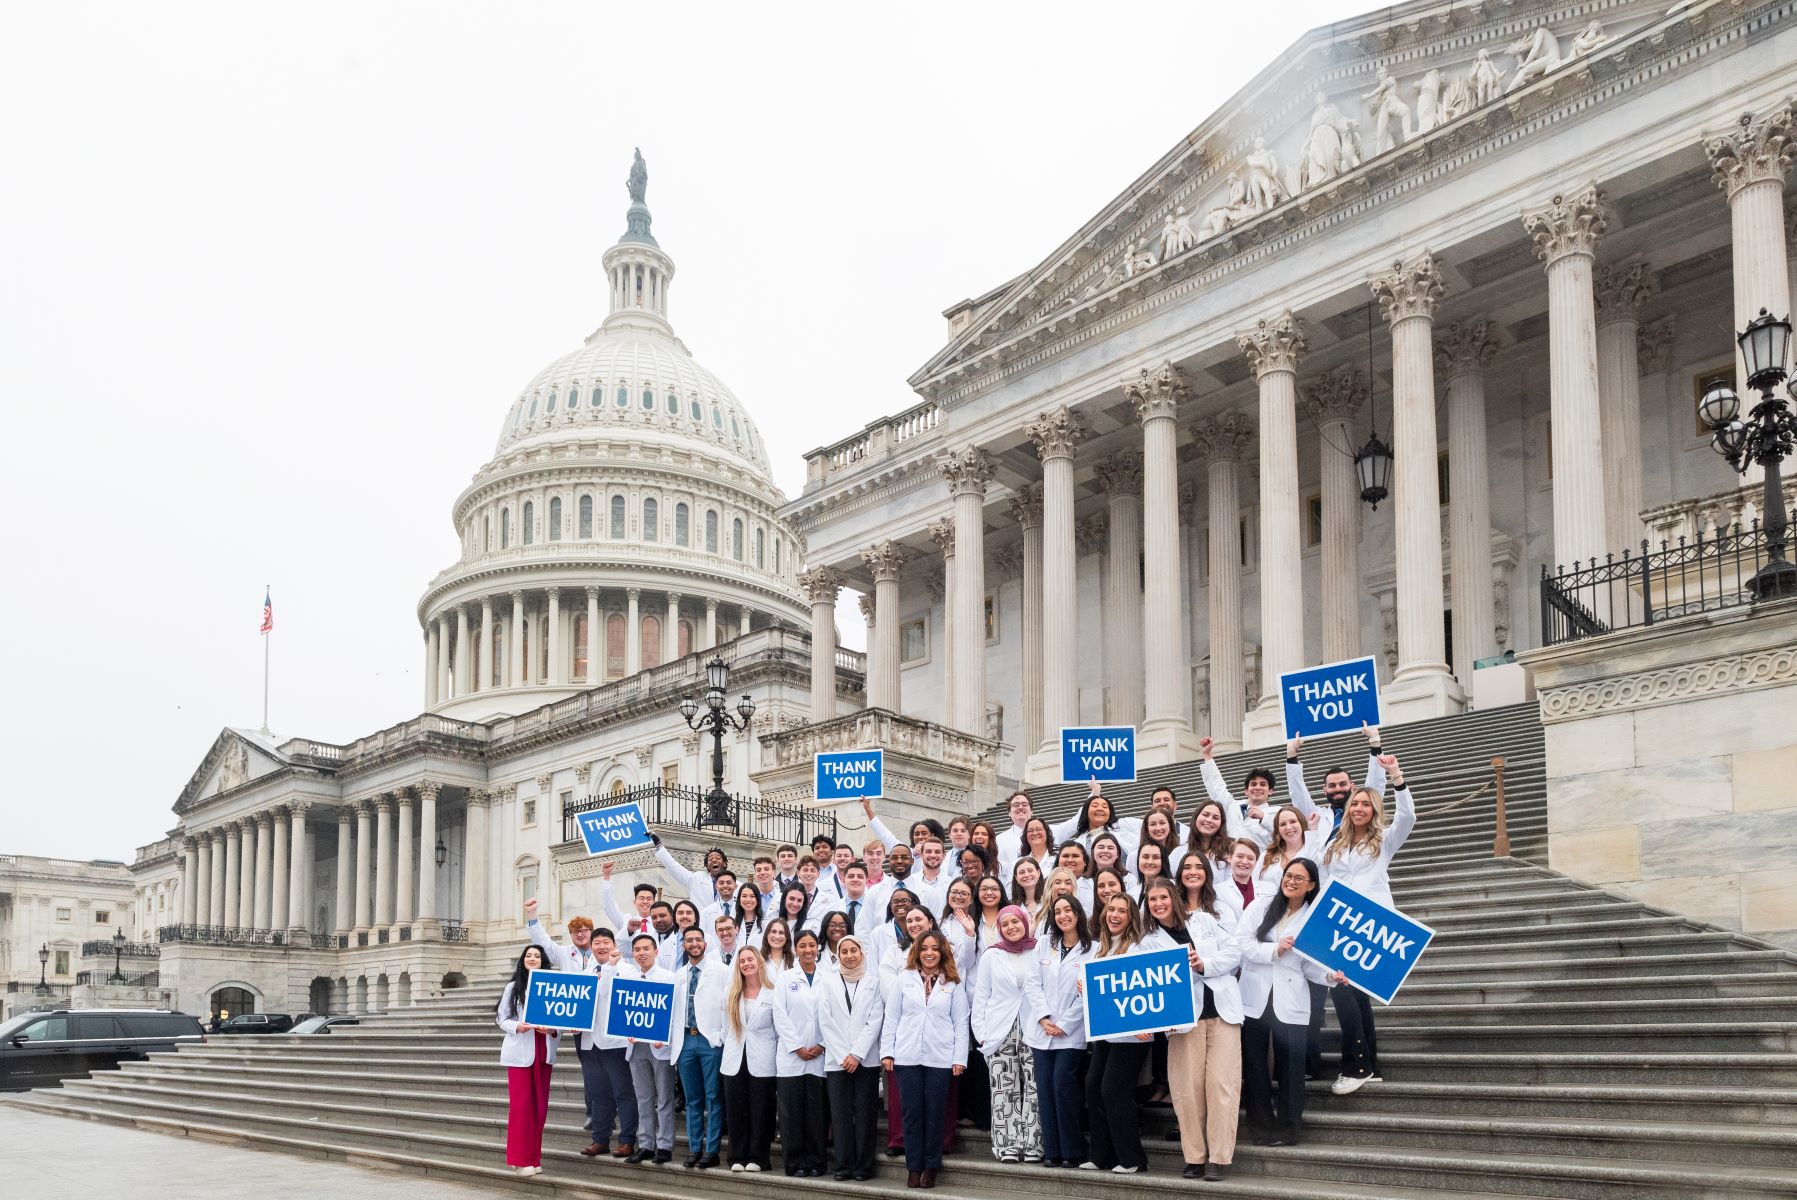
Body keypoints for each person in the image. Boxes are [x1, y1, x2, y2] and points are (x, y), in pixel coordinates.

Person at [1317, 753, 1414, 1094]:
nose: (1358, 808)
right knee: (1351, 994)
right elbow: (1323, 881)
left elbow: (1408, 816)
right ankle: (1369, 1063)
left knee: (1347, 993)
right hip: (1340, 923)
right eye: (1354, 804)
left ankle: (1356, 1065)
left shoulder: (1384, 840)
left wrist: (1396, 777)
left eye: (1364, 804)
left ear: (1373, 810)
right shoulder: (1334, 844)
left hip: (1372, 922)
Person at [1141, 879, 1242, 1181]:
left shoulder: (1204, 920)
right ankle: (1195, 1157)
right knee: (1188, 1091)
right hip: (1183, 1022)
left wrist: (1204, 964)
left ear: (1173, 897)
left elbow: (1234, 950)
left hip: (1222, 1013)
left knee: (1222, 1086)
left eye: (1163, 897)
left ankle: (1219, 1158)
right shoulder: (1148, 940)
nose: (1158, 904)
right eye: (1152, 900)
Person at [522, 895, 635, 1159]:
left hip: (615, 1043)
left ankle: (628, 1139)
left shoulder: (626, 970)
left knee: (623, 1092)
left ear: (614, 945)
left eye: (606, 942)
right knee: (598, 1093)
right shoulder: (582, 975)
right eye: (597, 943)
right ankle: (601, 1138)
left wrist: (610, 968)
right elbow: (570, 1004)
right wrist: (559, 1024)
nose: (601, 946)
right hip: (588, 1042)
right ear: (592, 948)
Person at [1237, 858, 1329, 1146]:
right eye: (1288, 875)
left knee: (1291, 1068)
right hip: (1255, 999)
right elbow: (1241, 943)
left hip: (1291, 999)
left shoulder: (1315, 918)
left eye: (1299, 878)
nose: (1291, 881)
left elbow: (1311, 966)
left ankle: (1289, 1129)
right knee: (1254, 1066)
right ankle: (1261, 1128)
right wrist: (1274, 950)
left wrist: (1332, 977)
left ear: (1311, 885)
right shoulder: (1261, 906)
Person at [881, 929, 970, 1189]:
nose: (929, 953)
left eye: (935, 948)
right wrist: (887, 1052)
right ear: (917, 952)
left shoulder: (952, 983)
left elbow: (961, 1023)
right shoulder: (903, 979)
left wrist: (959, 1058)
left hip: (940, 1058)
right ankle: (913, 1166)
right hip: (907, 1057)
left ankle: (931, 1166)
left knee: (935, 1114)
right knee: (911, 1113)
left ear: (942, 952)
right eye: (924, 948)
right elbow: (892, 1017)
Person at [1081, 893, 1159, 1174]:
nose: (1115, 915)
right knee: (1093, 1087)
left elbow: (1151, 986)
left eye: (1122, 911)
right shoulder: (1098, 947)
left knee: (1114, 1090)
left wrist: (1147, 1024)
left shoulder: (1140, 946)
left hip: (1133, 1035)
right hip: (1106, 1032)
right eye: (1111, 909)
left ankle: (1132, 1158)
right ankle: (1102, 1155)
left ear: (1131, 916)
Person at [971, 905, 1045, 1163]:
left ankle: (1033, 1145)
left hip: (1034, 1027)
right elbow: (981, 995)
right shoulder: (992, 955)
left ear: (1025, 922)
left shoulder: (1038, 950)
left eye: (1016, 922)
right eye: (1006, 924)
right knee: (1004, 1088)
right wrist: (980, 1033)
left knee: (1034, 1086)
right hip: (999, 1028)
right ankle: (1007, 1145)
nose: (1012, 927)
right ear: (1000, 929)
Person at [1030, 894, 1090, 1169]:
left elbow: (1086, 994)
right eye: (1058, 911)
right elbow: (1032, 984)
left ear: (1078, 913)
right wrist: (1043, 1018)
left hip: (1071, 1033)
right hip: (1042, 1031)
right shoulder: (1044, 945)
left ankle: (1073, 1150)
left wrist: (1064, 1024)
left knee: (1062, 1086)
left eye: (1068, 910)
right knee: (1045, 1090)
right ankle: (1052, 1150)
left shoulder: (1093, 949)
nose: (1063, 915)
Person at [819, 933, 884, 1181]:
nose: (849, 955)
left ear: (862, 952)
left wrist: (856, 1054)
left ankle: (863, 1166)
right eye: (844, 951)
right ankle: (844, 1165)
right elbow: (826, 1020)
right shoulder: (828, 982)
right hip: (837, 1061)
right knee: (840, 1114)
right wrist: (843, 1054)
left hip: (865, 1060)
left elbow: (874, 1020)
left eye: (853, 950)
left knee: (865, 1113)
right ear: (838, 955)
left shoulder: (874, 982)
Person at [496, 944, 561, 1176]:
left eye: (536, 956)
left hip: (543, 1051)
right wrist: (517, 1027)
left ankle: (533, 1157)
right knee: (522, 1107)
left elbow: (560, 1019)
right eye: (528, 955)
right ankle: (519, 1158)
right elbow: (502, 1018)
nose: (532, 959)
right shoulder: (513, 987)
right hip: (520, 1052)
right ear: (522, 960)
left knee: (539, 1109)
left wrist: (552, 1030)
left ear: (543, 960)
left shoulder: (554, 985)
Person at [772, 929, 830, 1177]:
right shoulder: (785, 978)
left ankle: (816, 1162)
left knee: (817, 1114)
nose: (808, 950)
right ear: (796, 949)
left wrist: (823, 1044)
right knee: (791, 1114)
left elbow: (835, 1015)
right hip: (791, 1056)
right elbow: (779, 1014)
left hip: (820, 1055)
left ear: (818, 948)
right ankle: (795, 1163)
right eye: (803, 946)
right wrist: (796, 1046)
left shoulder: (829, 977)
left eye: (812, 945)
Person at [619, 932, 678, 1164]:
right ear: (633, 954)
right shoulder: (628, 979)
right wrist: (626, 1030)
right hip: (636, 1047)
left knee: (664, 1098)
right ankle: (646, 1144)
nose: (642, 953)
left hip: (659, 1046)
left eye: (646, 948)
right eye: (637, 950)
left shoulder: (668, 977)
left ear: (656, 951)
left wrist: (666, 1036)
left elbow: (674, 1013)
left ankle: (664, 1145)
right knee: (643, 1098)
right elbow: (623, 1013)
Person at [719, 947, 778, 1172]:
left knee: (761, 1109)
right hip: (734, 1059)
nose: (746, 964)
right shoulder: (730, 992)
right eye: (742, 961)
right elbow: (725, 1028)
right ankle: (737, 1157)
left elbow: (777, 1028)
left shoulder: (772, 992)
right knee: (736, 1110)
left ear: (759, 962)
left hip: (763, 1058)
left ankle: (758, 1157)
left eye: (750, 959)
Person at [673, 926, 725, 1169]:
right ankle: (695, 1148)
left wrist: (720, 1035)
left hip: (709, 1041)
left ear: (705, 943)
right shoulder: (678, 974)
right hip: (685, 1041)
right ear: (684, 945)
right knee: (693, 1099)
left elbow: (729, 1005)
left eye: (698, 940)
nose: (694, 943)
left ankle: (712, 1150)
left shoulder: (721, 971)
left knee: (714, 1096)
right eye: (689, 940)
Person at [761, 917, 795, 982]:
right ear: (767, 935)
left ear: (786, 937)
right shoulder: (758, 961)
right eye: (773, 932)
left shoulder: (795, 962)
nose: (777, 936)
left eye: (781, 933)